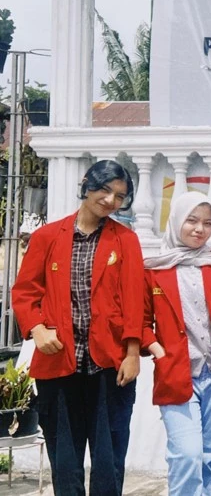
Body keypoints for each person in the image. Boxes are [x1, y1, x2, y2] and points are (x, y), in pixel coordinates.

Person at [12, 159, 144, 496]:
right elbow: (25, 293)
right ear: (87, 184)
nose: (110, 200)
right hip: (59, 365)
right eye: (104, 189)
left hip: (109, 366)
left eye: (119, 195)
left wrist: (132, 353)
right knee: (65, 460)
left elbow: (134, 300)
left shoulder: (125, 240)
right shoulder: (46, 237)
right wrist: (37, 330)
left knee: (109, 459)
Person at [143, 191, 211, 496]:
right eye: (192, 221)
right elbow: (141, 323)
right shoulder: (155, 270)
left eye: (207, 223)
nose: (200, 229)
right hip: (176, 373)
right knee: (186, 455)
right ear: (176, 221)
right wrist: (159, 351)